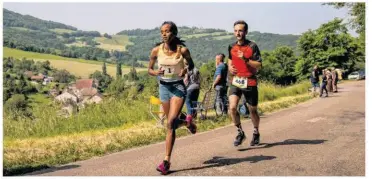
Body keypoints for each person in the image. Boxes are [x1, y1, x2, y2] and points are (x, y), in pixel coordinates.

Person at [148, 21, 197, 175]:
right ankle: (187, 122)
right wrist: (155, 73)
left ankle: (166, 161)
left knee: (170, 123)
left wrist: (185, 70)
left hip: (177, 87)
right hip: (163, 88)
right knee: (173, 122)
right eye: (162, 31)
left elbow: (192, 65)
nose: (164, 34)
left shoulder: (183, 50)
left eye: (167, 31)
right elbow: (149, 69)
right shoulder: (156, 50)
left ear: (174, 33)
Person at [227, 20, 262, 147]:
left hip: (250, 80)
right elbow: (230, 60)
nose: (238, 33)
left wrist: (246, 59)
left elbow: (259, 65)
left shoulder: (252, 46)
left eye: (240, 30)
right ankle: (240, 132)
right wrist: (230, 67)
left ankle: (256, 132)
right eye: (236, 31)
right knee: (232, 107)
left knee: (252, 110)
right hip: (235, 81)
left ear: (246, 32)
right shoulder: (231, 46)